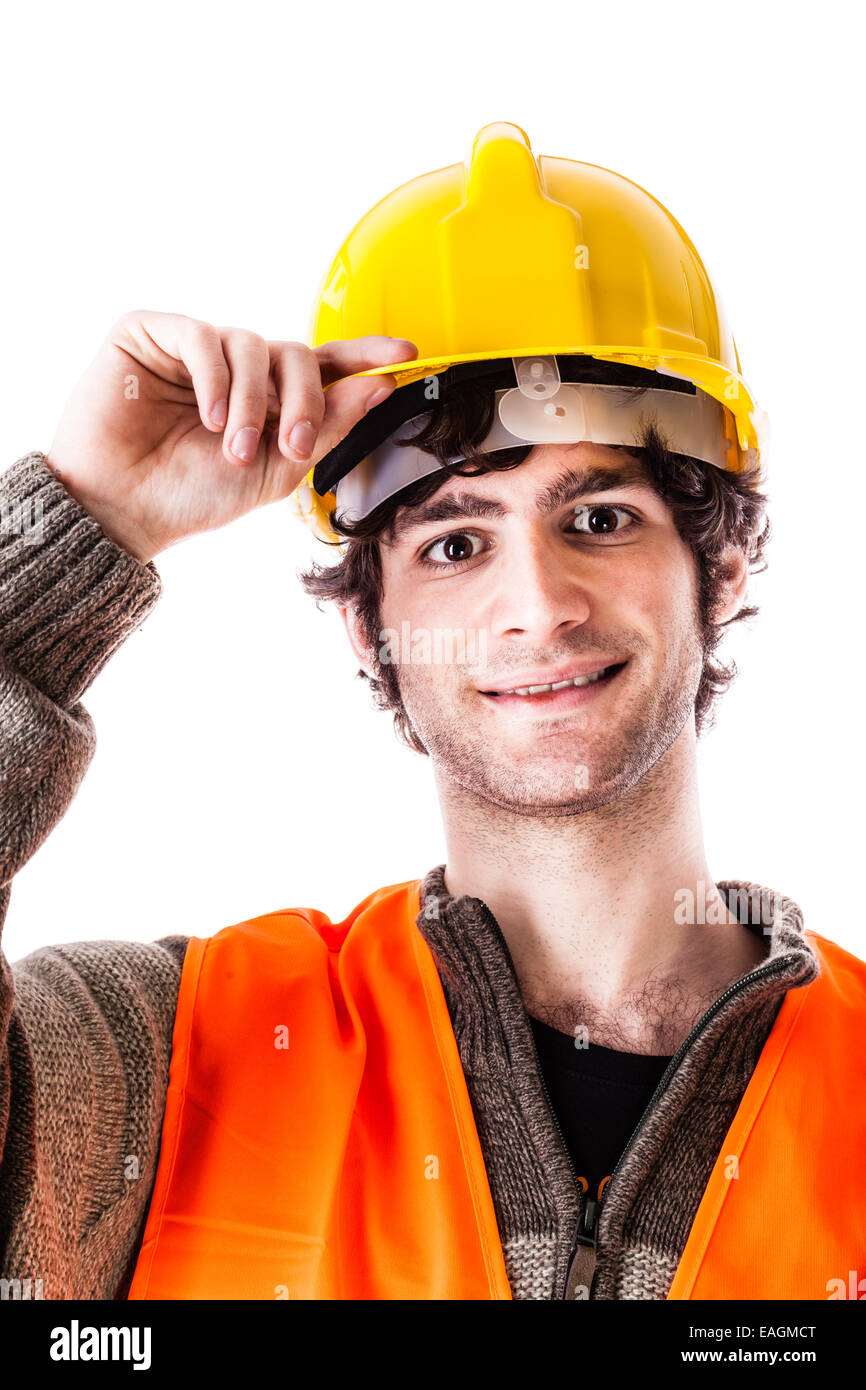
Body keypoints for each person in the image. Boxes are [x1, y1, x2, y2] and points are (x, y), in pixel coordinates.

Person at [1, 123, 863, 1303]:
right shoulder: (160, 1063)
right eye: (455, 542)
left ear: (715, 571)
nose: (536, 606)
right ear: (369, 627)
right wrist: (78, 533)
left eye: (598, 518)